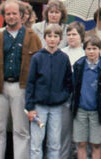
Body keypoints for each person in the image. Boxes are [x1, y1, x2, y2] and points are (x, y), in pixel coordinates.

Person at [0, 0, 43, 159]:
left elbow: (39, 69)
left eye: (14, 13)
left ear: (22, 15)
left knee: (21, 130)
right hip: (0, 88)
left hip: (21, 88)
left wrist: (35, 94)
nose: (11, 16)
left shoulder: (32, 38)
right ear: (3, 16)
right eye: (7, 13)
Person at [26, 23, 73, 159]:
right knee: (36, 143)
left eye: (55, 36)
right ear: (44, 38)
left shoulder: (63, 58)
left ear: (60, 38)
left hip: (57, 107)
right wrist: (30, 107)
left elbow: (69, 81)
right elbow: (30, 83)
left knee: (54, 143)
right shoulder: (37, 57)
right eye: (49, 36)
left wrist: (63, 96)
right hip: (39, 106)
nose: (52, 39)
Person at [71, 35, 101, 159]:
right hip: (81, 109)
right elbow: (73, 86)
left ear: (100, 49)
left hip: (97, 110)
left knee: (96, 144)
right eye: (89, 48)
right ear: (84, 49)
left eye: (94, 48)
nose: (91, 52)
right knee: (81, 143)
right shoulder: (79, 65)